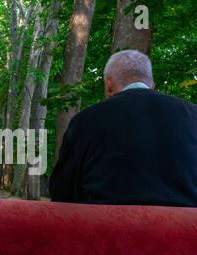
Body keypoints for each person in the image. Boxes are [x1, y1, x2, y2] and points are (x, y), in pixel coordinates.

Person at [49, 49, 197, 207]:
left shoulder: (84, 121)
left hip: (105, 228)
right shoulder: (193, 115)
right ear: (152, 85)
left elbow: (62, 194)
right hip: (184, 229)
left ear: (108, 84)